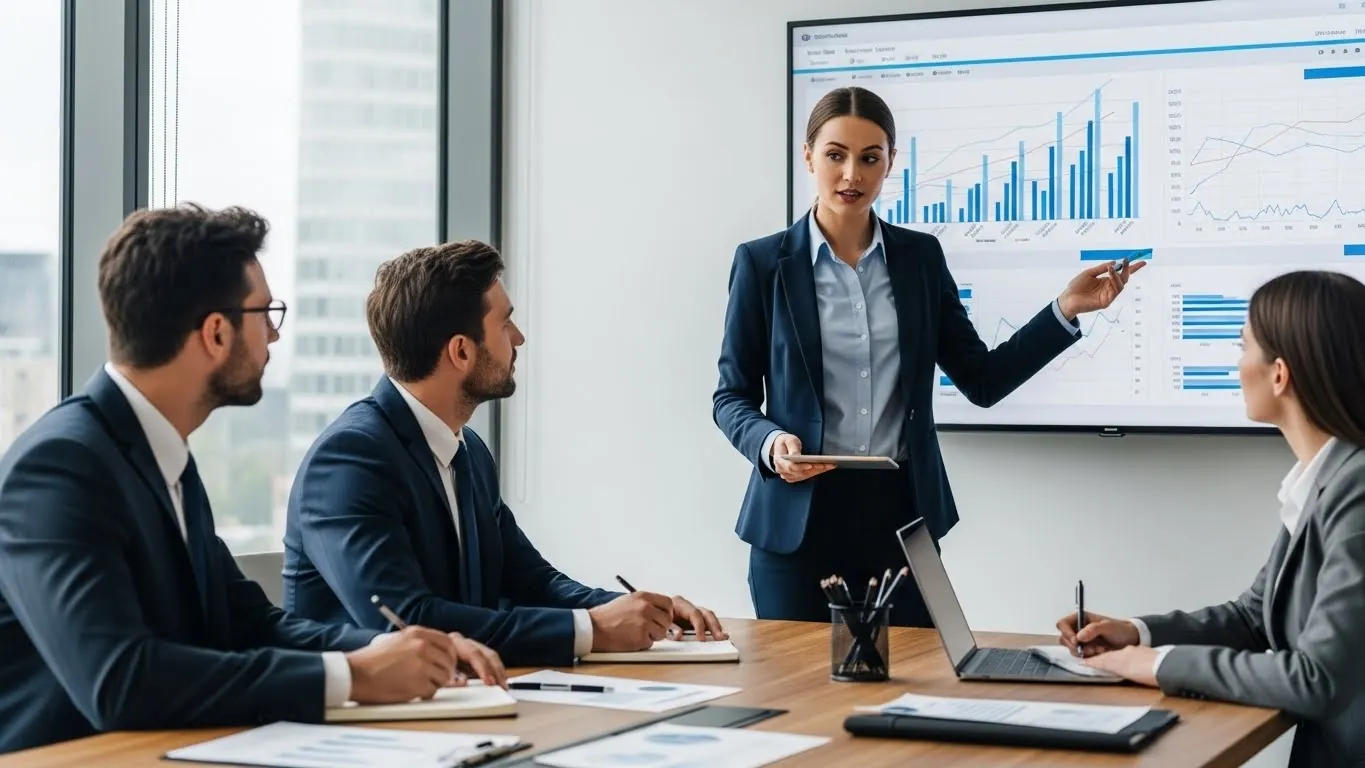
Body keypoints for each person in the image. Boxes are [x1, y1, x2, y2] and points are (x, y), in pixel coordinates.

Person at [0, 205, 505, 754]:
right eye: (264, 313)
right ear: (216, 333)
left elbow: (251, 622)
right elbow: (121, 679)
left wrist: (410, 651)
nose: (273, 335)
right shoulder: (60, 466)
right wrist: (352, 676)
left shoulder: (162, 456)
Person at [713, 86, 1144, 627]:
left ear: (891, 162)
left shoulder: (919, 258)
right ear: (808, 156)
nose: (852, 175)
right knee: (799, 699)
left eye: (870, 158)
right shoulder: (762, 264)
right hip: (796, 524)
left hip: (901, 519)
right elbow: (731, 397)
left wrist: (1066, 308)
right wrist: (771, 443)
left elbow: (981, 379)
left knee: (916, 692)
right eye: (835, 155)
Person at [282, 240, 727, 667]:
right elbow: (408, 622)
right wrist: (590, 629)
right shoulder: (349, 459)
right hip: (368, 724)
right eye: (504, 324)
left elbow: (532, 581)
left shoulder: (468, 450)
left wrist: (642, 610)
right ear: (460, 351)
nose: (519, 337)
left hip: (464, 703)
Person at [1057, 270, 1365, 767]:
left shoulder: (1357, 489)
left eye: (1243, 348)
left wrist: (1153, 664)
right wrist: (1136, 633)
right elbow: (1253, 617)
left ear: (1280, 374)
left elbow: (1317, 680)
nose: (1235, 366)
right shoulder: (1325, 478)